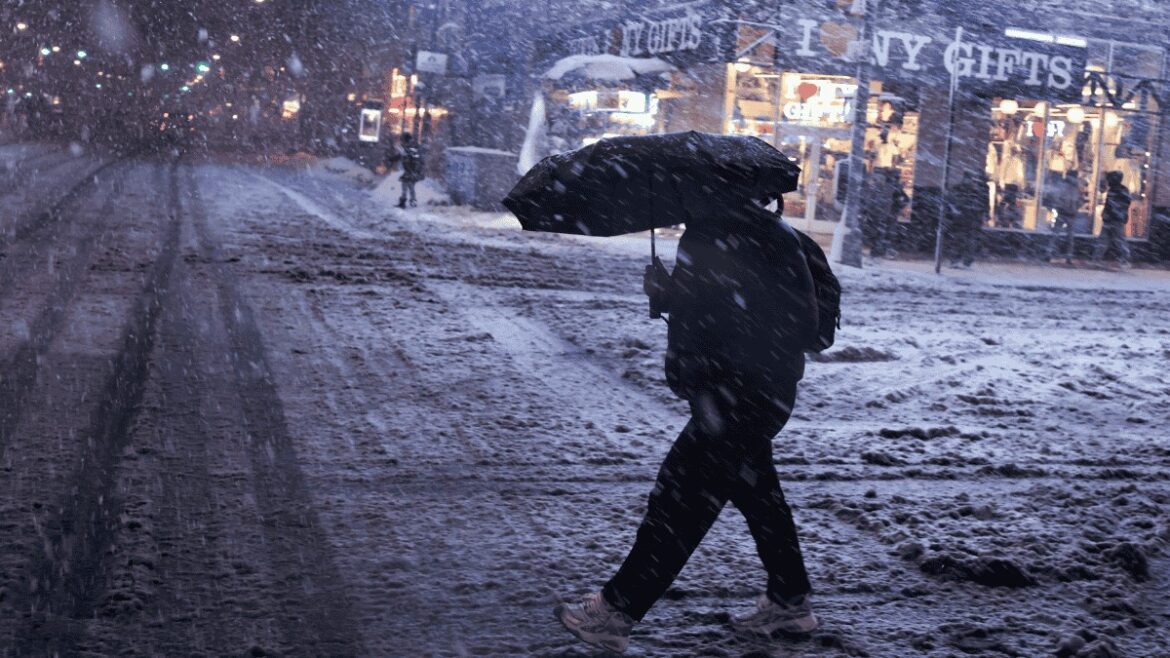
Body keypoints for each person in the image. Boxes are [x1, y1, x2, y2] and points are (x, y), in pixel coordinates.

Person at [555, 197, 822, 654]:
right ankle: (790, 600)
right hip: (763, 393)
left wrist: (676, 304)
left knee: (680, 501)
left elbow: (713, 321)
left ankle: (616, 612)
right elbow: (759, 313)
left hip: (731, 398)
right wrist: (672, 295)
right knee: (758, 494)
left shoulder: (715, 234)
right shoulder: (769, 232)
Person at [947, 171, 987, 268]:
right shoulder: (968, 190)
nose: (969, 181)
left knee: (965, 241)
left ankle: (962, 261)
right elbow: (951, 201)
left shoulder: (971, 191)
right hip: (963, 220)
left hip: (966, 220)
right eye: (968, 179)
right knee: (962, 241)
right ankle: (958, 260)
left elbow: (978, 205)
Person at [1094, 170, 1132, 268]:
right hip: (1114, 219)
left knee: (1110, 240)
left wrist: (1109, 212)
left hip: (1114, 219)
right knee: (1114, 240)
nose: (1108, 182)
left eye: (1109, 180)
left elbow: (1113, 205)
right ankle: (1098, 258)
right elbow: (1121, 205)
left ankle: (1098, 258)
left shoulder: (1116, 191)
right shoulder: (1120, 190)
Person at [1047, 171, 1082, 264]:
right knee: (1069, 237)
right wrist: (1075, 208)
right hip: (1069, 214)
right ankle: (1068, 256)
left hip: (1063, 212)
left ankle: (1049, 253)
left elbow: (1056, 198)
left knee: (1056, 235)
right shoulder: (1076, 187)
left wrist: (1059, 206)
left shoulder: (1064, 186)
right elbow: (1079, 200)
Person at [397, 132, 424, 209]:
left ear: (406, 139)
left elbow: (415, 158)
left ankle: (410, 201)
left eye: (403, 140)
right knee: (406, 184)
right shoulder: (410, 146)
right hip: (410, 169)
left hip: (412, 169)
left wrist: (414, 169)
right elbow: (405, 156)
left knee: (409, 185)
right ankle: (406, 201)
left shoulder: (411, 147)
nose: (402, 141)